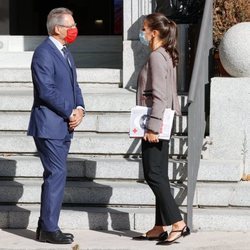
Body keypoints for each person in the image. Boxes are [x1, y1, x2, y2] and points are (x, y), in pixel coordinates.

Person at [27, 7, 85, 244]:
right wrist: (69, 110)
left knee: (56, 174)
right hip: (49, 125)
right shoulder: (43, 53)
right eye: (70, 26)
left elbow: (74, 86)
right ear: (57, 28)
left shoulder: (65, 52)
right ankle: (49, 228)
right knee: (56, 173)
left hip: (64, 125)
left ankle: (46, 226)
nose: (74, 30)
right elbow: (46, 90)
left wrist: (80, 109)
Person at [132, 13, 190, 245]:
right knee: (160, 174)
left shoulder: (157, 56)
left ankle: (177, 223)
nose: (142, 33)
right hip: (162, 121)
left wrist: (152, 127)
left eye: (144, 29)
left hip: (155, 122)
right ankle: (159, 226)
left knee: (152, 173)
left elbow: (159, 95)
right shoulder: (165, 54)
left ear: (154, 32)